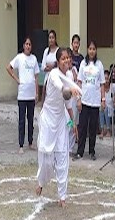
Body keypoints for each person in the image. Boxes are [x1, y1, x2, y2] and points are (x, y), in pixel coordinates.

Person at [35, 47, 81, 208]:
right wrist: (70, 89)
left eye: (68, 58)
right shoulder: (54, 74)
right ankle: (41, 182)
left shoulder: (69, 76)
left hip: (61, 120)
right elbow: (64, 91)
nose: (67, 61)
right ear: (58, 61)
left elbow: (68, 104)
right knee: (46, 159)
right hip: (48, 119)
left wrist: (72, 123)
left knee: (62, 157)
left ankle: (62, 196)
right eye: (63, 58)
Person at [7, 36, 39, 154]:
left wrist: (36, 93)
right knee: (22, 121)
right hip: (22, 94)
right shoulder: (19, 58)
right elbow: (8, 67)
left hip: (31, 94)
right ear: (23, 45)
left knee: (30, 120)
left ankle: (30, 142)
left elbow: (36, 76)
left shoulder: (34, 59)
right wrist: (16, 78)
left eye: (30, 44)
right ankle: (21, 144)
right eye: (26, 44)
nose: (28, 46)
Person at [74, 40, 105, 161]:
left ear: (96, 50)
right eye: (90, 49)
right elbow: (79, 83)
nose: (92, 51)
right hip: (84, 100)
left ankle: (92, 151)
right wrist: (78, 99)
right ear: (87, 50)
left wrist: (103, 99)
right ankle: (80, 152)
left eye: (94, 49)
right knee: (82, 127)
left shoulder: (99, 65)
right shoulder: (83, 64)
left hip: (95, 101)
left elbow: (102, 84)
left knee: (93, 128)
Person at [40, 30, 59, 101]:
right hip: (47, 77)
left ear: (55, 39)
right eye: (50, 38)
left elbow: (59, 64)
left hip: (56, 77)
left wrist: (53, 65)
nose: (51, 40)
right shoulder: (46, 51)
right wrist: (49, 68)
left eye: (53, 38)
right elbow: (43, 66)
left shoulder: (58, 50)